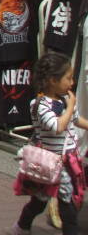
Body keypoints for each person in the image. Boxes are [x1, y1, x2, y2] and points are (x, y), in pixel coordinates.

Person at [12, 52, 87, 235]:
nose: (72, 83)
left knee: (44, 200)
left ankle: (22, 226)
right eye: (68, 78)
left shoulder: (64, 100)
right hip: (50, 164)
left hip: (68, 161)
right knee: (60, 203)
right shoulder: (39, 105)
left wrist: (71, 108)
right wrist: (70, 107)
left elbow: (76, 120)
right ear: (53, 80)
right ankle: (22, 226)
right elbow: (57, 127)